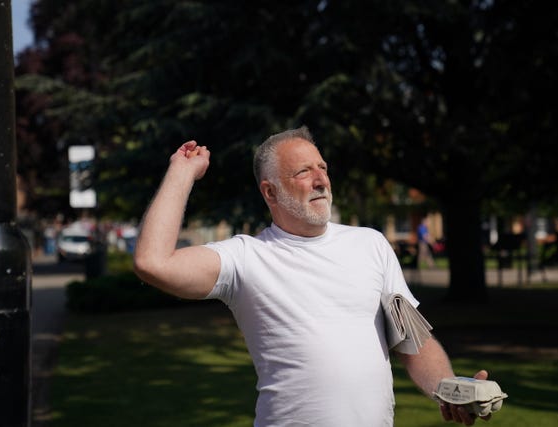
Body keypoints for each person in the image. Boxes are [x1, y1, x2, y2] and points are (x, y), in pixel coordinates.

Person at [133, 126, 492, 426]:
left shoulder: (371, 245)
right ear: (270, 191)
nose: (321, 180)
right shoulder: (245, 258)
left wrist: (449, 388)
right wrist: (181, 173)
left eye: (323, 168)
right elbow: (153, 263)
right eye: (303, 172)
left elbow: (412, 341)